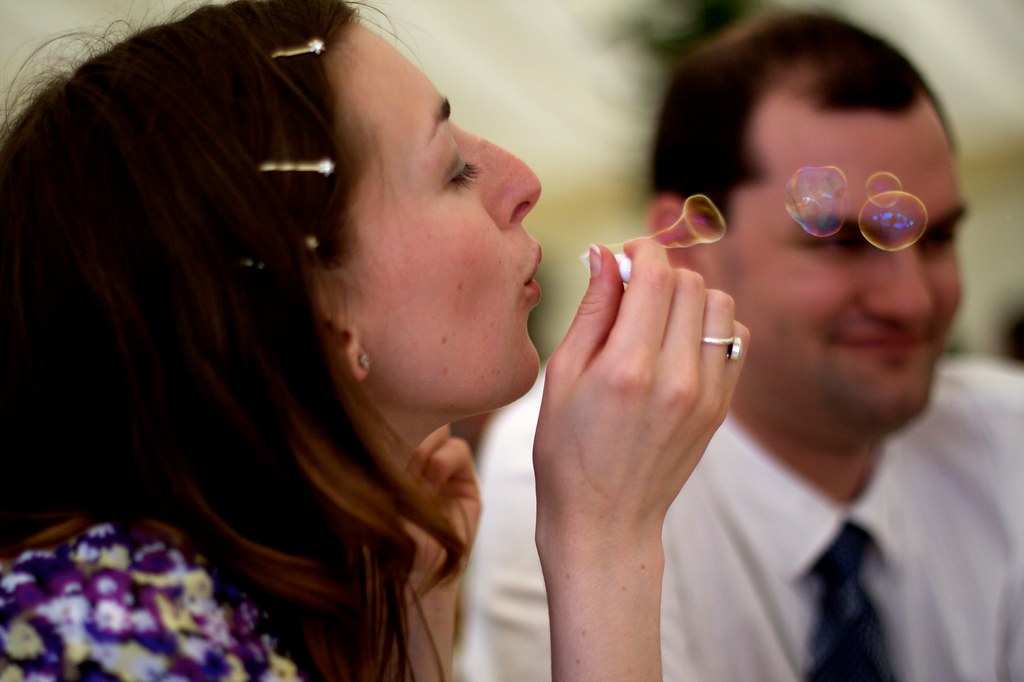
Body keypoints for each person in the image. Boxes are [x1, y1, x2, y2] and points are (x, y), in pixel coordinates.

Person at [0, 1, 748, 680]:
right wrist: (606, 535)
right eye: (454, 170)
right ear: (320, 307)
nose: (523, 183)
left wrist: (411, 634)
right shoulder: (116, 634)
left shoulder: (233, 589)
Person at [457, 10, 1024, 682]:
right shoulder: (581, 464)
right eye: (842, 242)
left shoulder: (1007, 438)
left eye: (935, 238)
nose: (913, 300)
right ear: (688, 243)